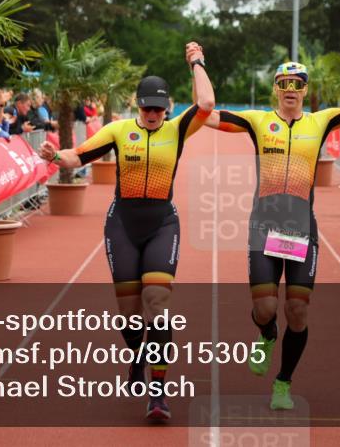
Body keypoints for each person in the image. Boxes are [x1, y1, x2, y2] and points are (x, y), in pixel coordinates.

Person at [203, 21, 340, 411]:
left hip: (301, 228)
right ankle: (266, 334)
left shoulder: (319, 123)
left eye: (297, 84)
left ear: (305, 89)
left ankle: (283, 382)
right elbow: (207, 115)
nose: (291, 90)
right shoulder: (256, 122)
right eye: (284, 84)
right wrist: (198, 65)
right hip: (263, 227)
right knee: (267, 308)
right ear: (276, 89)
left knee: (298, 311)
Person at [39, 42, 215, 423]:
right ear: (138, 106)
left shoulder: (177, 130)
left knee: (157, 302)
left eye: (159, 108)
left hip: (162, 222)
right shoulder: (118, 131)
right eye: (147, 107)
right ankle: (136, 358)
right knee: (130, 315)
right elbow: (78, 156)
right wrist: (56, 157)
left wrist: (196, 63)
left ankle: (158, 392)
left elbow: (206, 105)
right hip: (122, 222)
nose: (153, 114)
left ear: (167, 109)